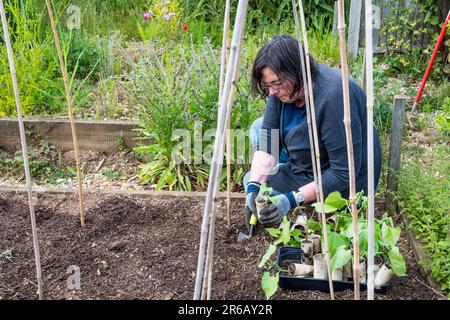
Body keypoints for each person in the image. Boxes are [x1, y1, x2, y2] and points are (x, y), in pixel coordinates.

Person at [244, 35, 382, 228]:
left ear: (296, 72)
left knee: (275, 199)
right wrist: (253, 188)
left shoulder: (334, 98)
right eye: (268, 85)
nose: (272, 92)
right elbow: (269, 141)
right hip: (311, 155)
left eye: (275, 84)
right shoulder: (281, 89)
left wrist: (292, 199)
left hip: (346, 184)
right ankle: (292, 186)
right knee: (257, 145)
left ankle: (305, 199)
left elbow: (343, 174)